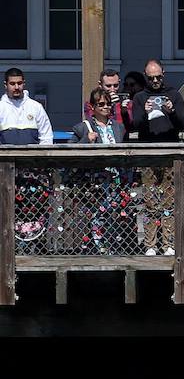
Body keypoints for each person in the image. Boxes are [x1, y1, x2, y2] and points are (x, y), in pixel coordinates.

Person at [129, 60, 184, 254]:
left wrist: (172, 111)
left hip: (170, 155)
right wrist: (144, 113)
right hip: (149, 155)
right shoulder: (140, 97)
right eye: (150, 77)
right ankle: (150, 244)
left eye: (158, 77)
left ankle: (168, 243)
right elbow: (135, 125)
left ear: (164, 74)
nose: (154, 81)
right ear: (146, 76)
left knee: (170, 200)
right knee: (150, 201)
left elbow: (182, 124)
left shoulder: (174, 95)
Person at [70, 87, 131, 255]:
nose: (105, 107)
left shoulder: (119, 127)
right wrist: (85, 140)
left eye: (108, 104)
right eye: (101, 104)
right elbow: (69, 150)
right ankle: (96, 248)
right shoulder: (83, 127)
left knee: (114, 214)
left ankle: (112, 247)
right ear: (93, 106)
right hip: (94, 180)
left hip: (116, 178)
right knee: (96, 214)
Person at [0, 68, 53, 249]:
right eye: (13, 83)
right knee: (8, 211)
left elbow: (46, 138)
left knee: (36, 211)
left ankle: (36, 248)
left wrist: (41, 163)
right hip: (7, 173)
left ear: (24, 83)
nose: (16, 87)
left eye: (19, 83)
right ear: (5, 85)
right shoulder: (0, 108)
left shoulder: (35, 107)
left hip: (34, 173)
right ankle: (9, 249)